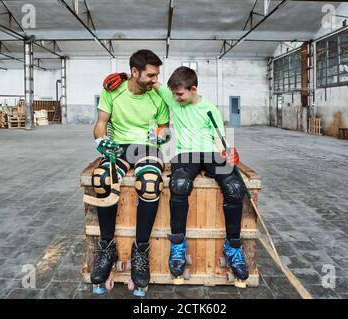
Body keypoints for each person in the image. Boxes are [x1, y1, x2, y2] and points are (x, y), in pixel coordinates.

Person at [103, 66, 249, 287]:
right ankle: (178, 246)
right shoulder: (173, 99)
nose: (175, 98)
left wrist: (229, 152)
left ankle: (233, 247)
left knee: (235, 188)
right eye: (173, 94)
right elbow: (146, 80)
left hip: (210, 154)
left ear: (193, 89)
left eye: (180, 94)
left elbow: (220, 138)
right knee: (179, 184)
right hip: (186, 154)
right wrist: (123, 76)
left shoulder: (209, 109)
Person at [91, 49, 170, 296]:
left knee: (149, 182)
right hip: (119, 145)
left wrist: (162, 135)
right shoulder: (112, 90)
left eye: (157, 75)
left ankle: (141, 250)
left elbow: (164, 127)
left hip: (147, 148)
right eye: (151, 75)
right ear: (134, 72)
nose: (155, 80)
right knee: (101, 179)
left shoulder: (157, 95)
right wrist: (100, 141)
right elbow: (101, 123)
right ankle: (106, 247)